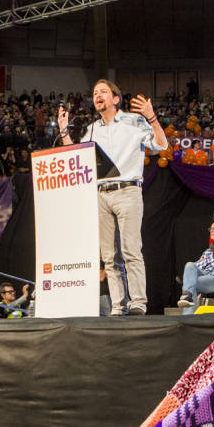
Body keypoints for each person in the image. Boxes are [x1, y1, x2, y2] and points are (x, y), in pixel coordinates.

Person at [57, 79, 168, 315]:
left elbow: (161, 145)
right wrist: (64, 132)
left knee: (130, 250)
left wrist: (151, 117)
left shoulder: (134, 121)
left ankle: (138, 302)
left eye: (103, 92)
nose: (98, 95)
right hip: (101, 194)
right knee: (109, 256)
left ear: (115, 99)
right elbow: (77, 157)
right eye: (95, 92)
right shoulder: (92, 129)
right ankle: (119, 306)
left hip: (127, 191)